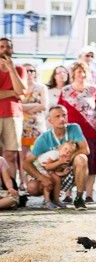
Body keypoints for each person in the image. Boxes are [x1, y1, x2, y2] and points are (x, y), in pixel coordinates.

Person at [24, 105, 90, 210]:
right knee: (32, 188)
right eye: (57, 116)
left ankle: (79, 198)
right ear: (50, 120)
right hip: (51, 173)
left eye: (64, 115)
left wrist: (66, 159)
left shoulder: (74, 128)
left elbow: (85, 150)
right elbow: (26, 163)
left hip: (68, 171)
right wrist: (42, 178)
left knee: (82, 158)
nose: (62, 119)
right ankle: (51, 197)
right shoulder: (44, 138)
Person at [58, 61, 96, 203]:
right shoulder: (65, 91)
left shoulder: (94, 90)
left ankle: (89, 194)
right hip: (70, 133)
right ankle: (68, 194)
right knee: (68, 161)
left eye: (84, 72)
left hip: (90, 132)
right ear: (73, 74)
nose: (81, 74)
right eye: (78, 72)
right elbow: (59, 111)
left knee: (91, 164)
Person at [0, 38, 27, 185]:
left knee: (10, 154)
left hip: (14, 115)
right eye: (1, 47)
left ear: (12, 50)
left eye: (8, 47)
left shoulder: (20, 69)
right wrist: (12, 92)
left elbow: (22, 91)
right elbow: (17, 92)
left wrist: (11, 69)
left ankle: (11, 188)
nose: (5, 49)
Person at [20, 63, 48, 191]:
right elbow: (17, 106)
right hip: (22, 126)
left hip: (38, 126)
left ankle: (43, 181)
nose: (29, 73)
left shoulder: (41, 87)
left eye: (31, 70)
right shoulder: (19, 87)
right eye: (26, 71)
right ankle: (23, 182)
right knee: (22, 155)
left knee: (41, 154)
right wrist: (34, 106)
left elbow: (44, 106)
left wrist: (24, 108)